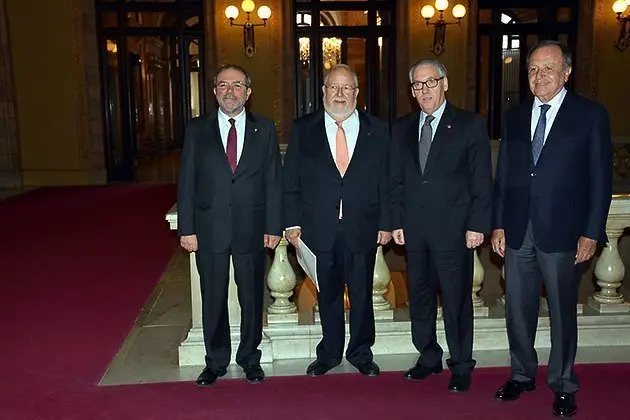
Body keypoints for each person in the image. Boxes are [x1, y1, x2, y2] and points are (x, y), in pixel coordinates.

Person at [491, 40, 612, 417]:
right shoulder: (515, 117)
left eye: (547, 68)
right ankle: (522, 374)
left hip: (563, 232)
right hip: (517, 230)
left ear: (566, 72)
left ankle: (563, 384)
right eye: (532, 69)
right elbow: (505, 177)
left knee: (562, 312)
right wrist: (497, 224)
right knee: (518, 310)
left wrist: (592, 232)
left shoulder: (590, 115)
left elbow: (600, 178)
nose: (539, 76)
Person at [390, 59, 493, 392]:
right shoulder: (402, 127)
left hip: (455, 230)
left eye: (430, 82)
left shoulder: (468, 124)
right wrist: (396, 220)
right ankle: (429, 357)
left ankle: (461, 364)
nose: (424, 91)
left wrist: (478, 224)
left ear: (445, 83)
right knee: (419, 297)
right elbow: (395, 179)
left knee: (456, 299)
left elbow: (481, 180)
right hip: (414, 230)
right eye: (418, 85)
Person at [283, 64, 391, 377]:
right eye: (333, 87)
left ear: (357, 93)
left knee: (362, 294)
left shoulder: (378, 129)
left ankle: (360, 352)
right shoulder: (304, 128)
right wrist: (291, 222)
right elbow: (290, 180)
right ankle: (329, 353)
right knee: (327, 294)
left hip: (363, 226)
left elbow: (386, 180)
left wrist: (385, 222)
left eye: (346, 88)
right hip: (319, 228)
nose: (340, 94)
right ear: (324, 92)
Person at [177, 64, 282, 387]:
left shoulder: (264, 129)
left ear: (248, 93)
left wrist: (274, 226)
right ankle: (216, 361)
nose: (230, 91)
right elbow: (187, 181)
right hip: (210, 229)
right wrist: (187, 229)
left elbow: (272, 181)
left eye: (237, 85)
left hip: (252, 228)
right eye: (223, 85)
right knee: (213, 297)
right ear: (214, 91)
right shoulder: (197, 130)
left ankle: (251, 358)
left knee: (252, 297)